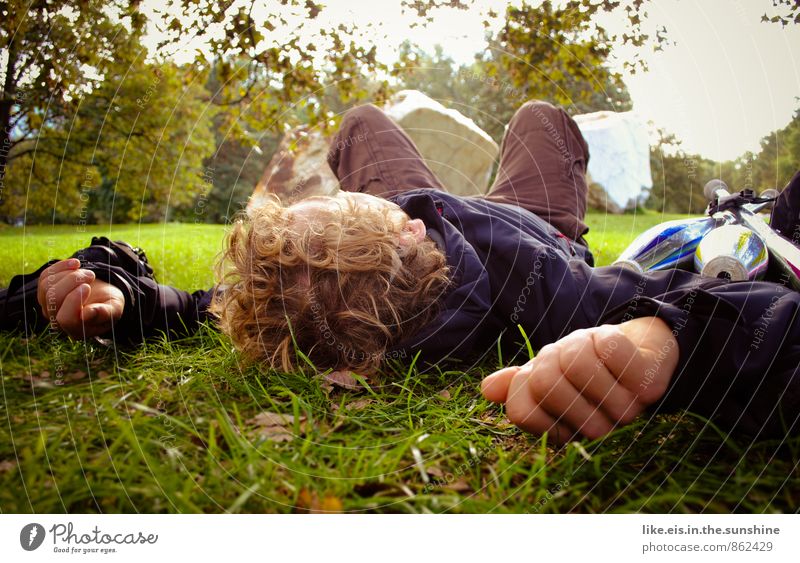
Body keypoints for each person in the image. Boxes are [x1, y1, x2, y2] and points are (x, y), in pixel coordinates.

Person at [2, 101, 800, 446]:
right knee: (539, 119)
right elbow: (726, 306)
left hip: (437, 221)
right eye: (352, 201)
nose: (335, 189)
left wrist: (123, 296)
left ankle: (398, 187)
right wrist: (657, 340)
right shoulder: (557, 299)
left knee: (359, 123)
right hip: (537, 230)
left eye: (335, 199)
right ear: (407, 221)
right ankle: (539, 179)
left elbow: (197, 305)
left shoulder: (310, 298)